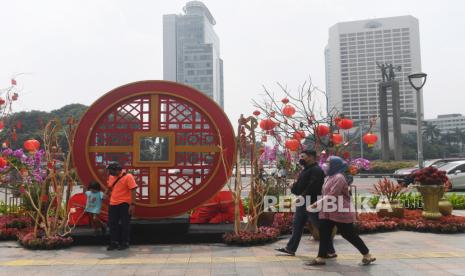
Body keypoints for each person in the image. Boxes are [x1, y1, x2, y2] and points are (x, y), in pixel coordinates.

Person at [306, 156, 376, 266]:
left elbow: (333, 194)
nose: (326, 164)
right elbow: (325, 193)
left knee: (348, 234)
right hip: (328, 211)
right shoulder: (329, 177)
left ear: (335, 165)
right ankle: (321, 257)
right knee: (324, 233)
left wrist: (317, 203)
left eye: (328, 163)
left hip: (340, 212)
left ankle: (367, 254)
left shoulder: (339, 177)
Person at [275, 149, 336, 257]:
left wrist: (302, 197)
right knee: (297, 225)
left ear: (311, 157)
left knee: (320, 226)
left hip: (312, 203)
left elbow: (313, 187)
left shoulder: (317, 170)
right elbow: (301, 186)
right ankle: (290, 248)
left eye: (303, 156)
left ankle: (330, 250)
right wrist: (293, 187)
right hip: (302, 202)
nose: (300, 159)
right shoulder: (305, 170)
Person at [106, 162, 138, 251]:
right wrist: (106, 194)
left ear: (118, 170)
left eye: (111, 171)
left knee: (125, 224)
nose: (110, 173)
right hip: (113, 204)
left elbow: (133, 190)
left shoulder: (128, 177)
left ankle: (125, 242)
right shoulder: (111, 177)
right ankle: (114, 242)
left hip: (124, 203)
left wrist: (132, 204)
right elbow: (110, 187)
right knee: (112, 224)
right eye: (109, 171)